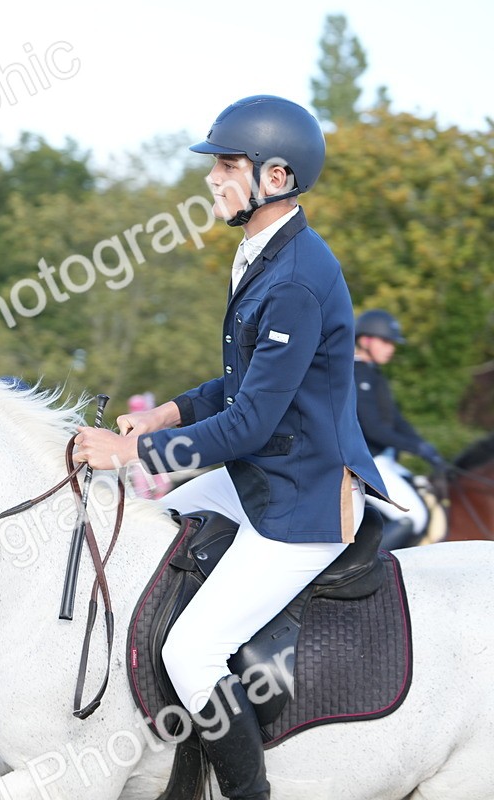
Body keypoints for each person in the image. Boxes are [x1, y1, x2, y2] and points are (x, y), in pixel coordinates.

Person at [73, 95, 386, 800]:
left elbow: (251, 423)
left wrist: (127, 457)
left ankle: (248, 793)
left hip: (304, 500)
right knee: (149, 534)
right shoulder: (264, 255)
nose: (212, 179)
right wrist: (165, 415)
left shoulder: (298, 278)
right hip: (258, 477)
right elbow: (241, 381)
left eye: (225, 166)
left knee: (192, 650)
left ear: (275, 178)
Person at [353, 309, 444, 547]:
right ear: (365, 340)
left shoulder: (374, 375)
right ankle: (362, 574)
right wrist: (415, 447)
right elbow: (373, 429)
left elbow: (395, 420)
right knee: (413, 516)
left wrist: (424, 445)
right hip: (366, 464)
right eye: (385, 341)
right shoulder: (355, 374)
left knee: (427, 493)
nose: (391, 348)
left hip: (384, 461)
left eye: (392, 343)